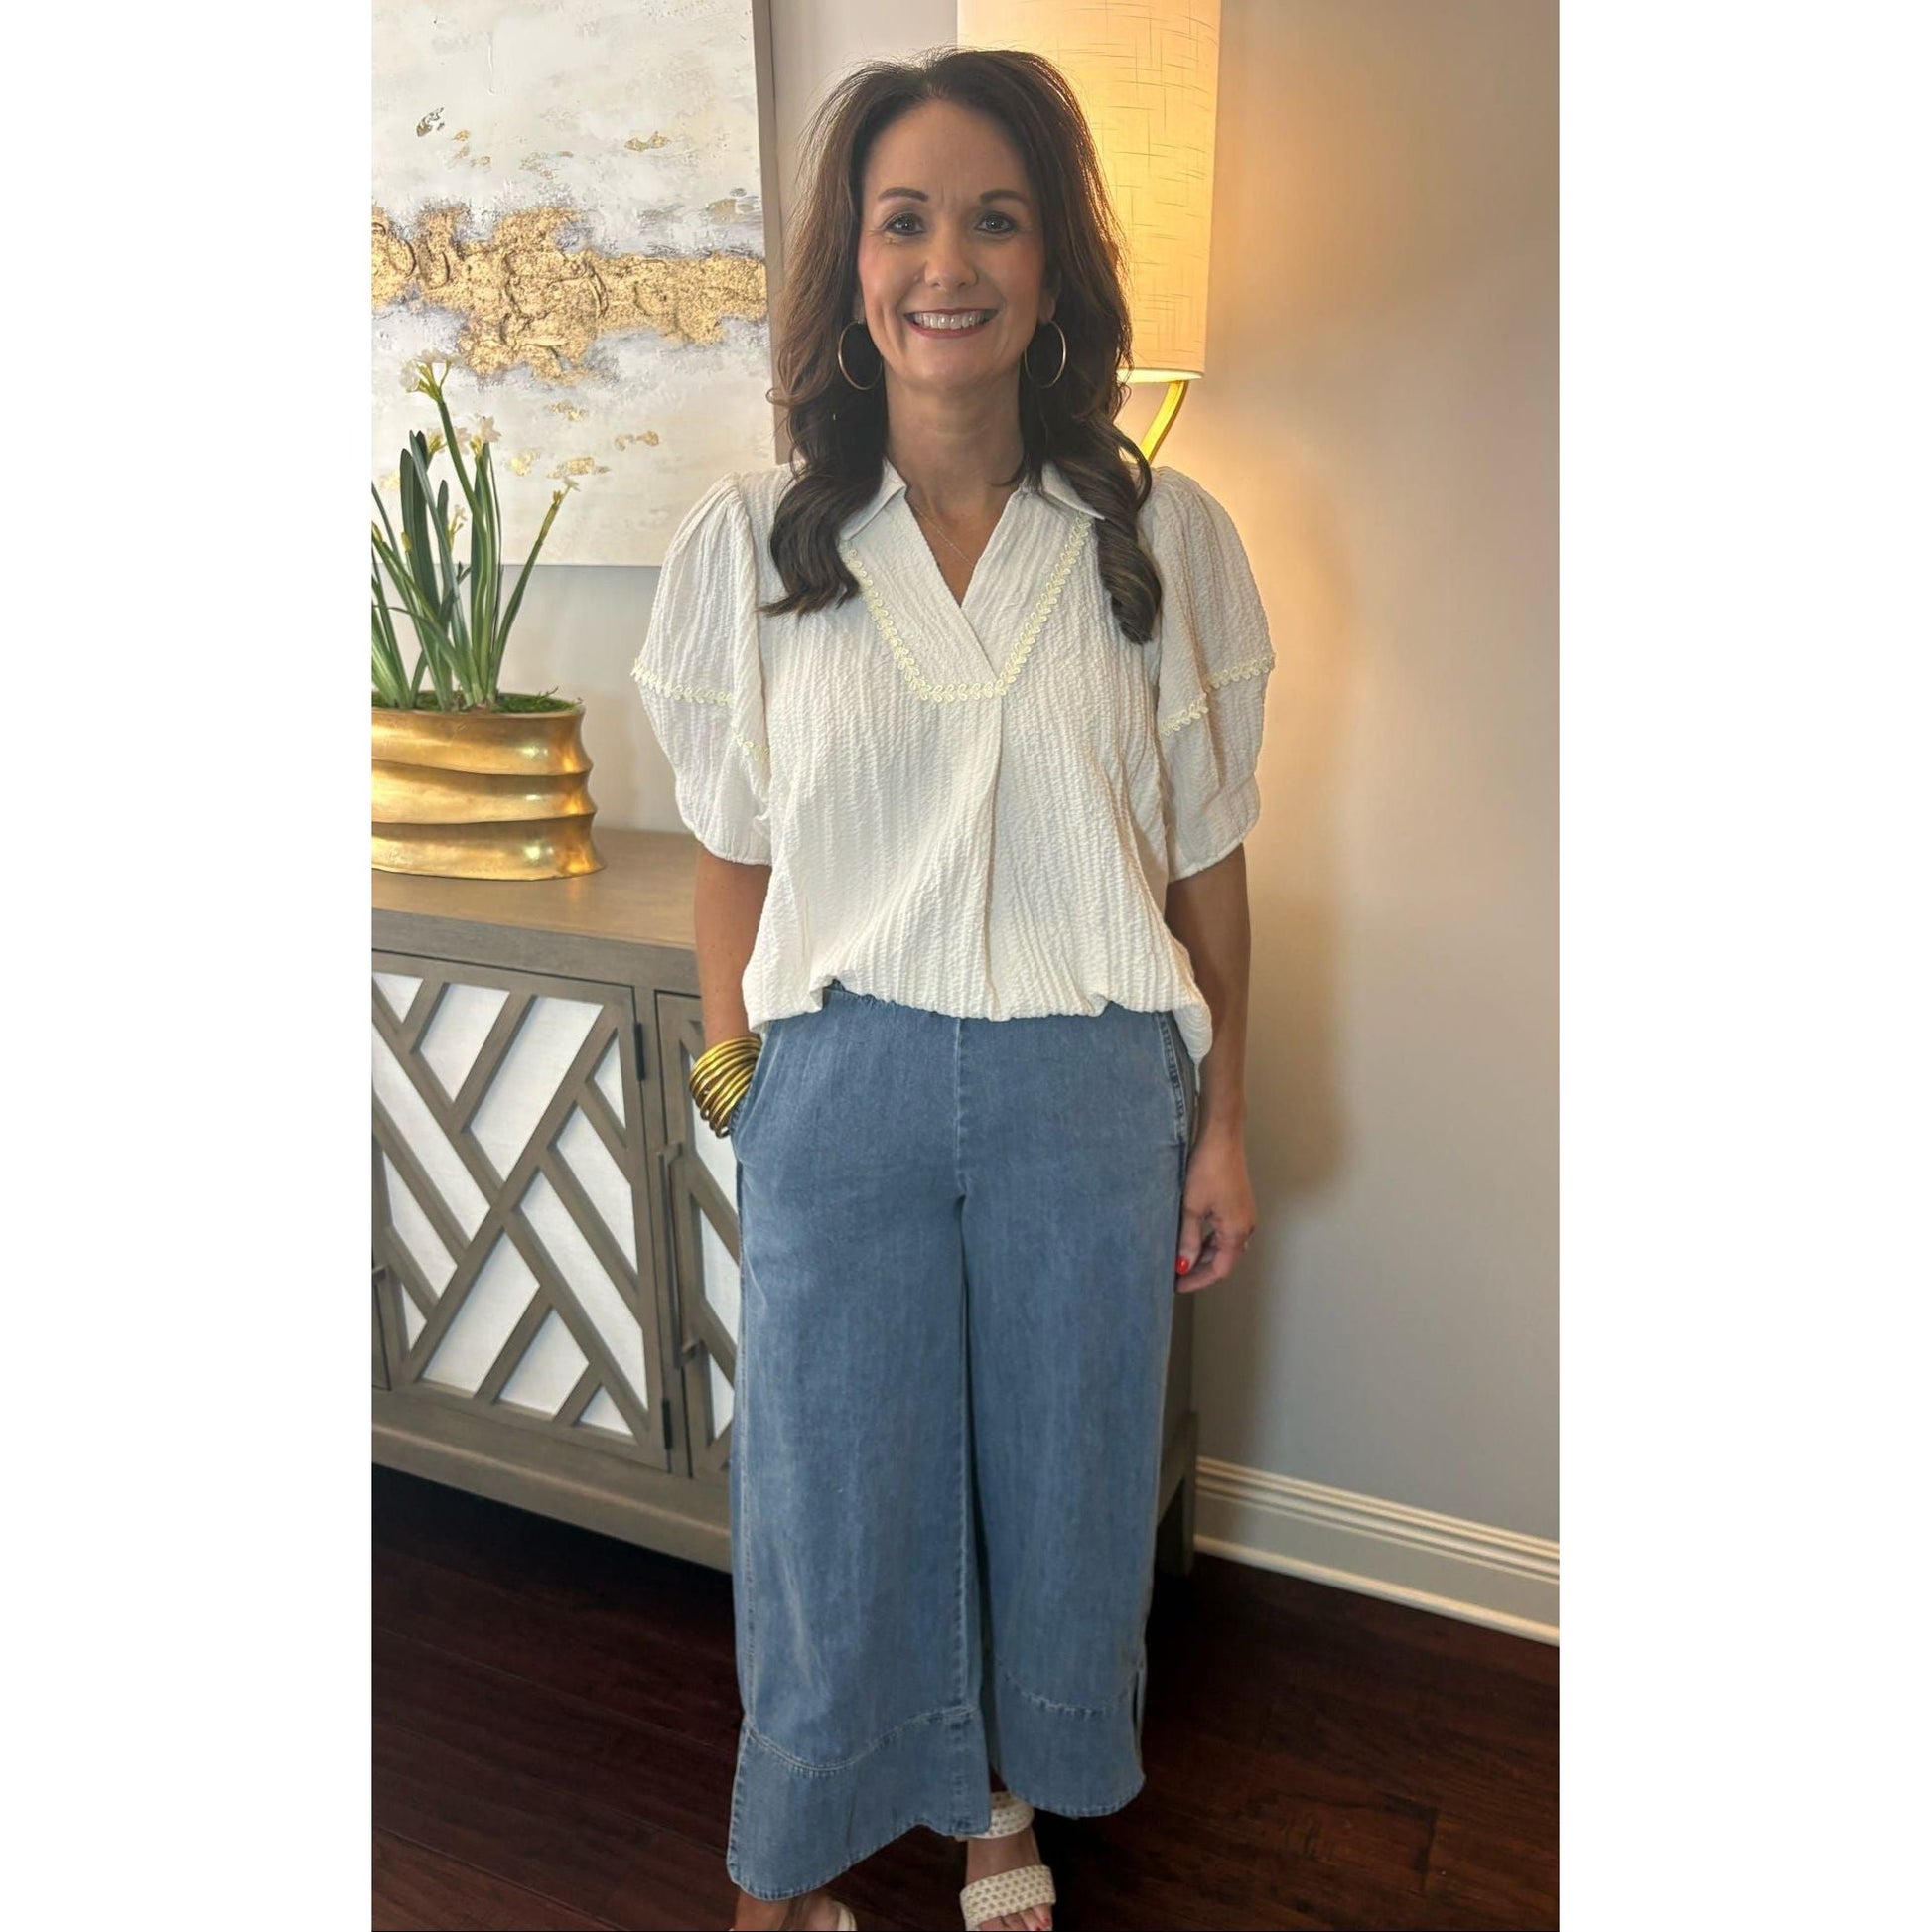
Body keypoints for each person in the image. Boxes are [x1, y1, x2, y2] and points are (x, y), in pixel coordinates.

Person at [632, 47, 1273, 1932]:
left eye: (995, 217)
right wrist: (741, 1079)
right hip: (841, 1088)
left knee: (1060, 1484)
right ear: (852, 268)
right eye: (903, 219)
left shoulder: (1166, 542)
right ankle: (791, 1862)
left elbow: (1209, 858)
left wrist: (1225, 1118)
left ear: (1053, 265)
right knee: (829, 1502)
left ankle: (1005, 1810)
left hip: (1093, 1090)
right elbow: (732, 857)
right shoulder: (752, 549)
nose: (948, 260)